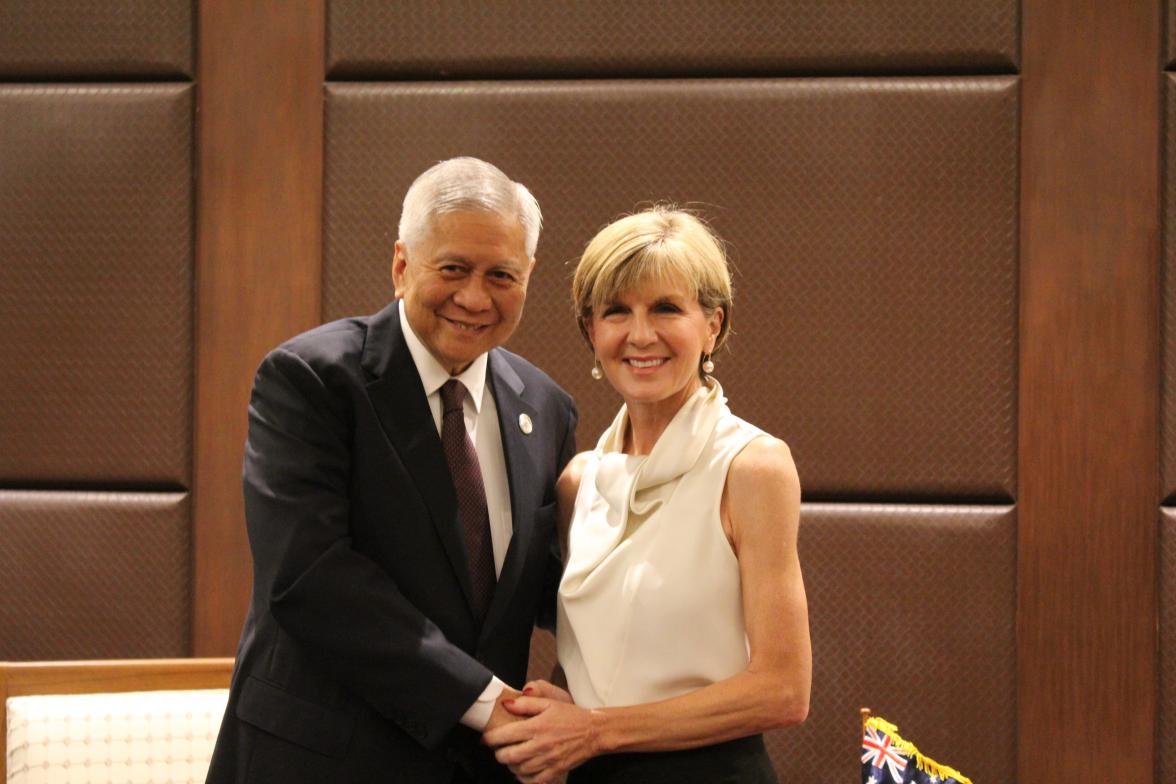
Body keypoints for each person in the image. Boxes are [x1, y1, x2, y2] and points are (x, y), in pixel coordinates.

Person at [206, 157, 578, 784]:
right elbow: (309, 577)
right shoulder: (311, 380)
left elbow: (554, 589)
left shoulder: (546, 408)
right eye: (454, 268)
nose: (474, 297)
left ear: (529, 276)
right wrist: (489, 705)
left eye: (501, 275)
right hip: (322, 762)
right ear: (402, 265)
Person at [483, 207, 811, 783]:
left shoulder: (753, 467)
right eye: (616, 312)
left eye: (666, 308)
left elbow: (783, 690)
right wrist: (558, 715)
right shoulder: (577, 481)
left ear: (713, 325)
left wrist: (596, 728)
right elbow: (596, 660)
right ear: (591, 331)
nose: (640, 335)